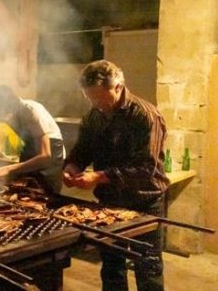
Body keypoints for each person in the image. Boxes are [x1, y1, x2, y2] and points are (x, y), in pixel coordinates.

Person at [62, 60, 169, 291]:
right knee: (111, 265)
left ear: (118, 86)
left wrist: (98, 176)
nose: (96, 104)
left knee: (147, 265)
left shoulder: (145, 115)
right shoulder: (94, 115)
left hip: (145, 200)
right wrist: (72, 166)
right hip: (110, 200)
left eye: (100, 98)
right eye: (91, 98)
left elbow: (145, 168)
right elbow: (83, 149)